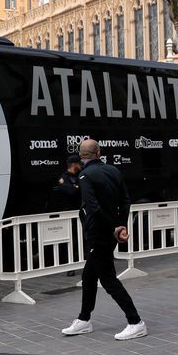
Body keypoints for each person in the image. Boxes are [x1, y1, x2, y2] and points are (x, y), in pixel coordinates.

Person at [60, 139, 147, 341]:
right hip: (111, 232)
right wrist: (120, 224)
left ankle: (136, 322)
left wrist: (114, 227)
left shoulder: (84, 175)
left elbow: (92, 208)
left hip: (98, 233)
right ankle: (84, 320)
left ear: (81, 155)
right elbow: (125, 200)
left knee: (107, 279)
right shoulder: (113, 171)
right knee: (89, 277)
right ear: (98, 152)